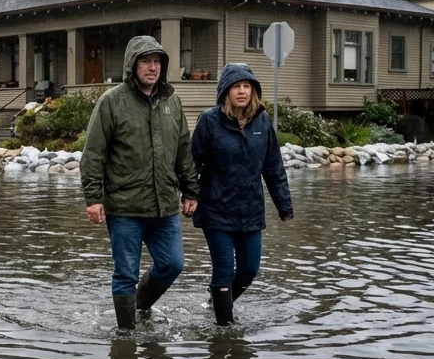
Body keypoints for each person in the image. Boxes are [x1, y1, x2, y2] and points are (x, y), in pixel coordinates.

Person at [81, 35, 199, 329]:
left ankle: (141, 306)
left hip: (164, 206)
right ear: (132, 65)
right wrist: (93, 199)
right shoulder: (111, 102)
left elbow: (184, 149)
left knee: (173, 264)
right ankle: (126, 336)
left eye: (157, 61)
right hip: (124, 208)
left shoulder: (172, 102)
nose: (152, 67)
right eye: (146, 61)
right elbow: (93, 153)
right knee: (125, 274)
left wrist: (190, 190)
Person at [190, 62, 293, 325]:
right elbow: (192, 164)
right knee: (224, 270)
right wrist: (189, 195)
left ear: (253, 91)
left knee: (249, 270)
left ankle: (217, 302)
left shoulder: (263, 121)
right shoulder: (209, 121)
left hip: (250, 211)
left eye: (247, 86)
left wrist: (284, 206)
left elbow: (273, 166)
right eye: (236, 86)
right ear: (226, 90)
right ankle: (225, 330)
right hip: (216, 210)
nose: (242, 91)